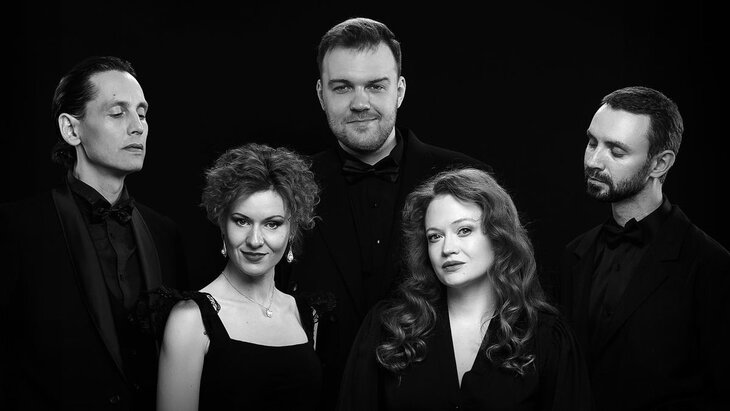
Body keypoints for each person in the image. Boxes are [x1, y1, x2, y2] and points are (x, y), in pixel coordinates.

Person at [284, 17, 491, 407]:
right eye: (342, 87)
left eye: (375, 86)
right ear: (321, 94)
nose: (360, 102)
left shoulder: (466, 180)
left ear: (399, 90)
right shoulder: (286, 189)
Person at [0, 56, 188, 410]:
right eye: (118, 113)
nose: (138, 127)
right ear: (71, 130)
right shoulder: (16, 228)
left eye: (142, 113)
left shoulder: (165, 234)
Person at [339, 168, 592, 410]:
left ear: (499, 236)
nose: (447, 248)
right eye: (435, 236)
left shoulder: (546, 337)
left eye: (464, 230)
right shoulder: (388, 327)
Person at [559, 86, 730, 410]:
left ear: (659, 164)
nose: (593, 161)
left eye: (616, 151)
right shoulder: (575, 254)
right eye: (592, 142)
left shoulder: (712, 266)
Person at [157, 143, 322, 410]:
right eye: (242, 221)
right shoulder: (190, 319)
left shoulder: (305, 315)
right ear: (223, 223)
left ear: (292, 230)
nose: (255, 240)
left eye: (272, 224)